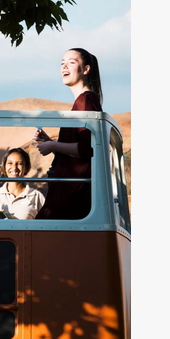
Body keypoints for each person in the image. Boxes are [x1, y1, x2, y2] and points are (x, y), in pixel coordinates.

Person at [34, 48, 102, 220]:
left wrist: (52, 145)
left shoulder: (85, 100)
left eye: (71, 62)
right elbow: (79, 150)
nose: (64, 67)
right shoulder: (82, 101)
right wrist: (50, 142)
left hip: (73, 192)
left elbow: (89, 149)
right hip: (70, 189)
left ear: (86, 69)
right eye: (62, 63)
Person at [0, 148, 46, 219]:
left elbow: (44, 225)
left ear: (26, 167)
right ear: (4, 166)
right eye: (10, 163)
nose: (14, 167)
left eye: (19, 163)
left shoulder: (36, 196)